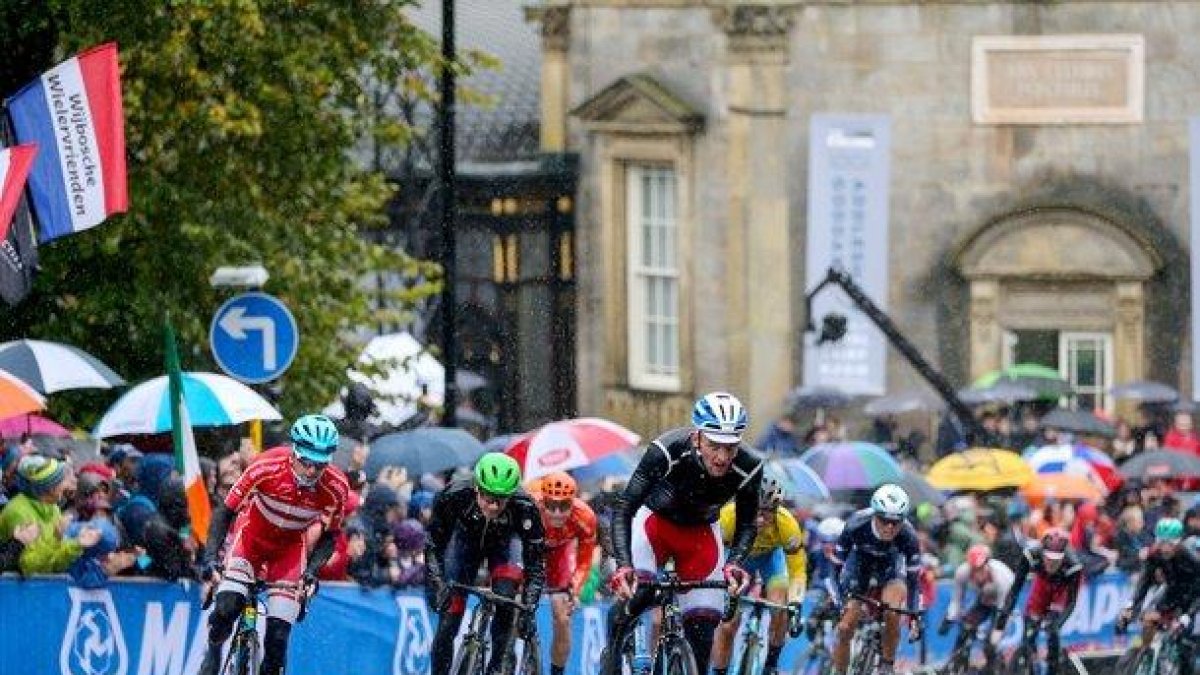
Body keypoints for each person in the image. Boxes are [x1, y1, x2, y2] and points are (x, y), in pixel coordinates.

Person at [601, 391, 762, 675]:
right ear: (698, 436)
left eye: (731, 447)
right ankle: (614, 648)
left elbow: (748, 523)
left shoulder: (749, 466)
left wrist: (735, 561)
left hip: (700, 535)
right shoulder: (667, 450)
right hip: (654, 526)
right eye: (715, 445)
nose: (723, 457)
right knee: (640, 596)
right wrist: (624, 564)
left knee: (703, 626)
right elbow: (625, 507)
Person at [197, 414, 349, 675]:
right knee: (227, 609)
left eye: (319, 465)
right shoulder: (265, 465)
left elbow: (330, 536)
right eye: (306, 462)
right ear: (294, 453)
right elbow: (225, 512)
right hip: (250, 540)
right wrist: (211, 557)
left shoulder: (336, 488)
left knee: (278, 641)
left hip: (289, 551)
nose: (312, 471)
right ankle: (213, 649)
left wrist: (311, 572)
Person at [424, 452, 546, 675]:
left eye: (501, 500)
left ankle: (496, 666)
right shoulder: (454, 495)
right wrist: (438, 583)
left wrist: (529, 607)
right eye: (488, 497)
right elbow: (433, 546)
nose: (492, 506)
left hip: (505, 546)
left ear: (511, 496)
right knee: (448, 620)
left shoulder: (525, 507)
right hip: (464, 545)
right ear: (476, 488)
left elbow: (535, 564)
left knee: (505, 596)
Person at [711, 476, 807, 675]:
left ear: (777, 510)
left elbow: (797, 571)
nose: (761, 519)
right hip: (737, 560)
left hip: (771, 560)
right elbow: (712, 557)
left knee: (780, 607)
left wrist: (796, 602)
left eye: (767, 512)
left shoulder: (787, 524)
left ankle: (771, 664)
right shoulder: (728, 517)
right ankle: (719, 670)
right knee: (728, 625)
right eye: (756, 510)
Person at [828, 484, 923, 675]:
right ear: (874, 514)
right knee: (845, 628)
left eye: (896, 522)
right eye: (884, 519)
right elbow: (834, 570)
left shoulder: (909, 536)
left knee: (893, 611)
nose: (889, 526)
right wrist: (839, 601)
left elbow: (913, 582)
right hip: (860, 567)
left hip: (890, 569)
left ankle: (886, 666)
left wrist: (914, 615)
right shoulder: (855, 525)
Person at [992, 528, 1083, 675]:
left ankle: (1054, 667)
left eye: (1056, 561)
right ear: (1042, 553)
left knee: (1052, 631)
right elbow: (1015, 590)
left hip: (1060, 589)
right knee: (1029, 633)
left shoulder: (1074, 565)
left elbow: (1071, 602)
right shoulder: (1031, 555)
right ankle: (1029, 662)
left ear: (1063, 557)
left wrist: (1056, 625)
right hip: (1041, 586)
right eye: (1049, 559)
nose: (1052, 564)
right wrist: (1000, 625)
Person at [533, 472, 598, 675]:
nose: (557, 513)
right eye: (551, 506)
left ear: (574, 502)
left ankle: (557, 671)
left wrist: (574, 589)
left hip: (559, 554)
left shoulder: (585, 517)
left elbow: (584, 560)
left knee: (562, 617)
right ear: (542, 501)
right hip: (531, 551)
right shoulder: (530, 507)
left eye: (564, 506)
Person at [1117, 518, 1200, 675]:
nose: (1165, 549)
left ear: (1178, 543)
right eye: (1162, 543)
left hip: (1192, 597)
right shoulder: (1154, 554)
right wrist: (1131, 606)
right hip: (1171, 591)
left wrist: (1187, 616)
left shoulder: (1190, 557)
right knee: (1148, 621)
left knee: (1184, 642)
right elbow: (1144, 583)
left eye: (1170, 544)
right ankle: (1142, 653)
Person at [940, 544, 1014, 667]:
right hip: (983, 600)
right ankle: (958, 665)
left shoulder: (1002, 576)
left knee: (991, 642)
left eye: (980, 569)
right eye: (974, 569)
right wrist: (950, 618)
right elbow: (957, 600)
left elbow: (1005, 609)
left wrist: (997, 630)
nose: (977, 573)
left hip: (1004, 603)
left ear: (987, 565)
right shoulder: (962, 572)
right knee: (965, 629)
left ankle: (994, 667)